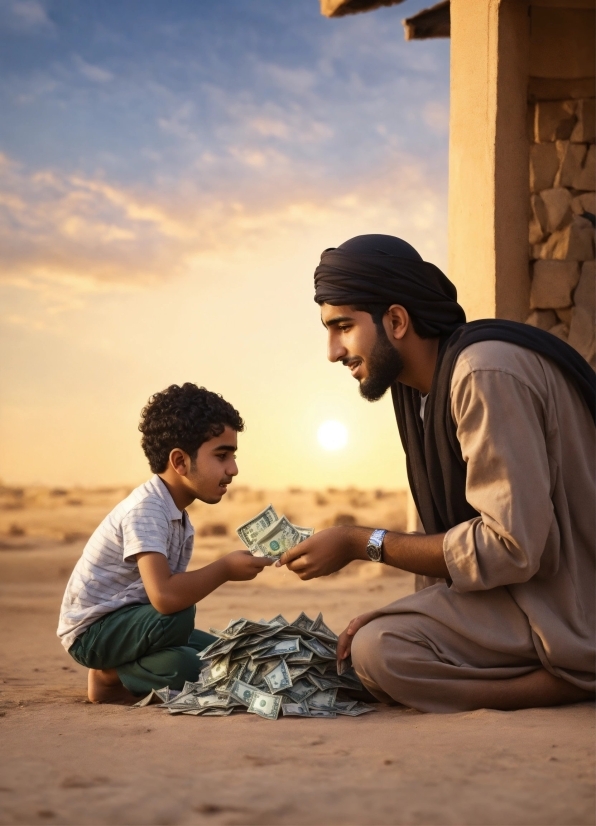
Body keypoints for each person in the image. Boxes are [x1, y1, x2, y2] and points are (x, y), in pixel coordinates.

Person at [278, 234, 595, 713]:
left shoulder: (482, 374)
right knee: (376, 642)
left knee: (378, 652)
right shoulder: (417, 391)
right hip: (518, 593)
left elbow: (512, 547)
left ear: (397, 320)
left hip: (566, 599)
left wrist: (359, 542)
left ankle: (567, 681)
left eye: (343, 326)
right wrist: (413, 611)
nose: (332, 351)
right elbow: (447, 537)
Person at [58, 383, 271, 703]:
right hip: (93, 634)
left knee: (219, 655)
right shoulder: (147, 509)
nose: (233, 469)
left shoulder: (177, 516)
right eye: (222, 455)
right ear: (180, 461)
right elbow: (166, 597)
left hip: (134, 624)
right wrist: (226, 567)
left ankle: (127, 672)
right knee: (180, 618)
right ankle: (108, 675)